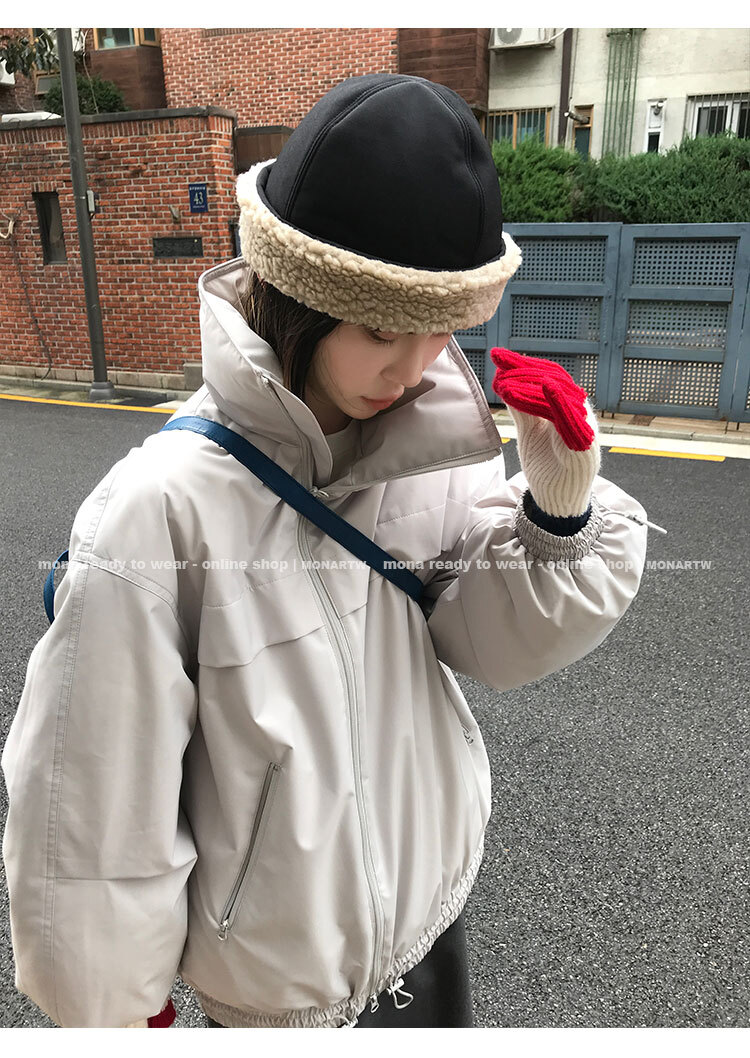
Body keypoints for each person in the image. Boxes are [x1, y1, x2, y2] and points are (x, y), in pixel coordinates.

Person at [1, 73, 651, 1029]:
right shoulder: (160, 512)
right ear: (298, 295)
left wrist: (555, 517)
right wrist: (127, 1020)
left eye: (441, 329)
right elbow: (94, 807)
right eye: (383, 328)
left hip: (430, 937)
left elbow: (485, 641)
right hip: (275, 1000)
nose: (415, 368)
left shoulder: (427, 442)